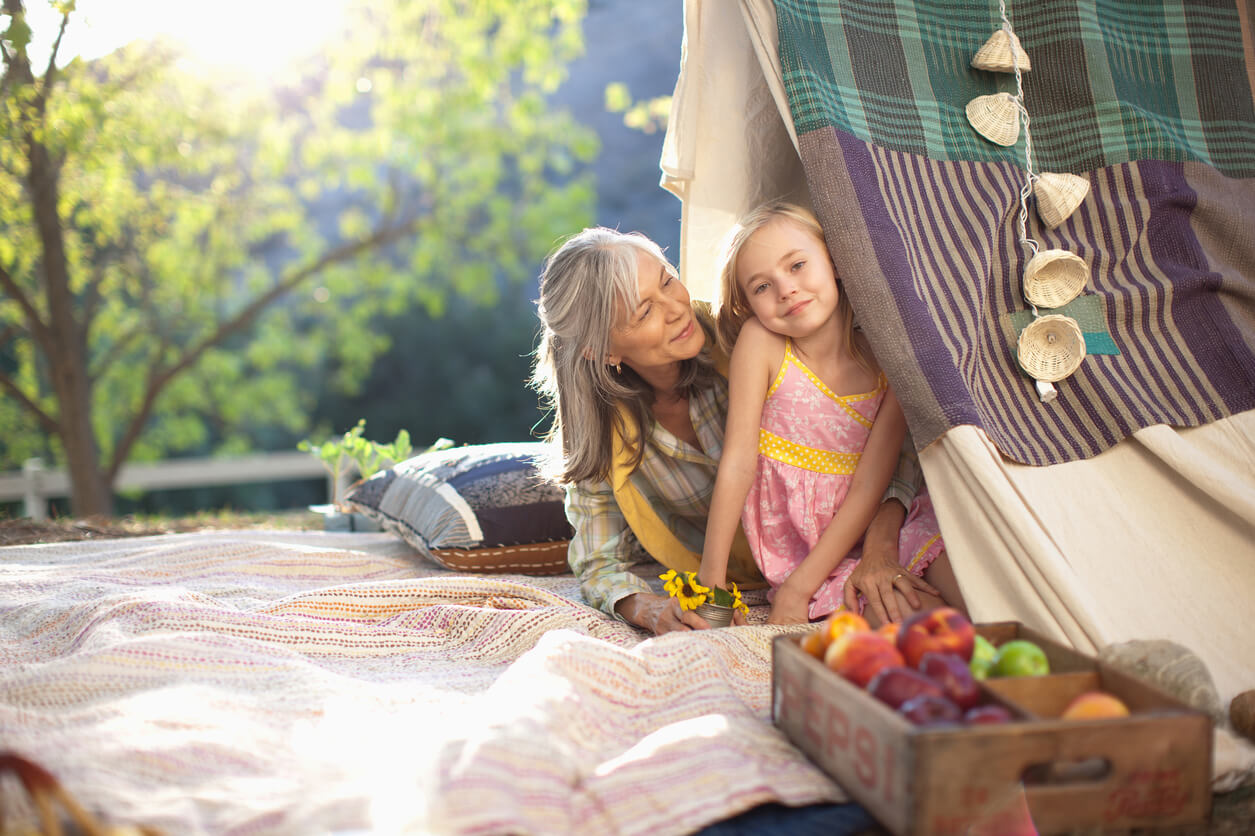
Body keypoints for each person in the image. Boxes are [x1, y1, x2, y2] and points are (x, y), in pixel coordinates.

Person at [529, 225, 952, 635]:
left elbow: (884, 437)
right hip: (779, 571)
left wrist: (879, 549)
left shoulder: (752, 333)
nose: (677, 308)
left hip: (847, 538)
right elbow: (598, 563)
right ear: (603, 350)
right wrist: (648, 608)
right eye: (645, 311)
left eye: (668, 281)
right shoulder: (602, 430)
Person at [699, 202, 963, 625]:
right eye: (762, 286)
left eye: (797, 265)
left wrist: (799, 591)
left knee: (973, 589)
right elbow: (737, 464)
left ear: (836, 262)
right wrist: (712, 579)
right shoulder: (762, 343)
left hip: (885, 522)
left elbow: (868, 486)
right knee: (919, 621)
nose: (786, 289)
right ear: (746, 304)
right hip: (809, 554)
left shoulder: (887, 356)